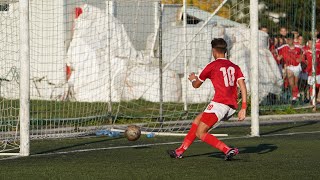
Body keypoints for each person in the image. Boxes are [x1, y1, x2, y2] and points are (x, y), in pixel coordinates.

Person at [167, 38, 247, 161]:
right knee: (198, 119)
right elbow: (242, 86)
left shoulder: (212, 66)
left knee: (200, 133)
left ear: (214, 51)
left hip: (219, 104)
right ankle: (180, 150)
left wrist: (193, 78)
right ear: (225, 51)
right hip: (231, 107)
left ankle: (227, 149)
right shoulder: (235, 67)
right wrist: (244, 108)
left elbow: (196, 85)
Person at [277, 33, 303, 104]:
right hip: (289, 67)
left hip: (297, 67)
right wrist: (279, 57)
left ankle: (296, 96)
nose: (288, 41)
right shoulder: (283, 47)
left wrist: (300, 59)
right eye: (287, 39)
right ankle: (295, 96)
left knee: (295, 83)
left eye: (289, 39)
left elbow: (303, 54)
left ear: (292, 40)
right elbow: (275, 51)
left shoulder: (298, 47)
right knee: (291, 82)